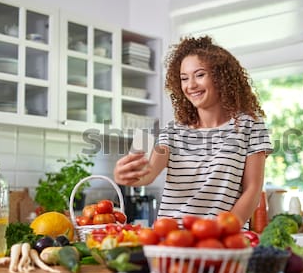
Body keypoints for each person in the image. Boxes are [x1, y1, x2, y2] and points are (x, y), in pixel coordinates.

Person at [114, 35, 272, 227]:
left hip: (221, 240)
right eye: (184, 78)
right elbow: (147, 174)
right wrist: (125, 175)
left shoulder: (249, 126)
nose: (190, 85)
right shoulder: (173, 131)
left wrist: (224, 231)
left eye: (199, 75)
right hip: (171, 238)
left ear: (220, 77)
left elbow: (253, 190)